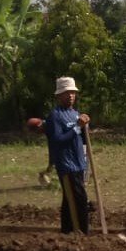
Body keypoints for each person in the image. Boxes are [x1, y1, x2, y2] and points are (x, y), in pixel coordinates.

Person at [42, 77, 91, 234]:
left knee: (69, 199)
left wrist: (85, 127)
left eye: (72, 92)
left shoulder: (75, 113)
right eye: (66, 93)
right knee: (80, 199)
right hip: (67, 164)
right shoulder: (55, 116)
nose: (70, 95)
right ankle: (83, 232)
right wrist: (77, 127)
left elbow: (80, 138)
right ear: (59, 96)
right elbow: (58, 140)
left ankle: (66, 231)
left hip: (79, 162)